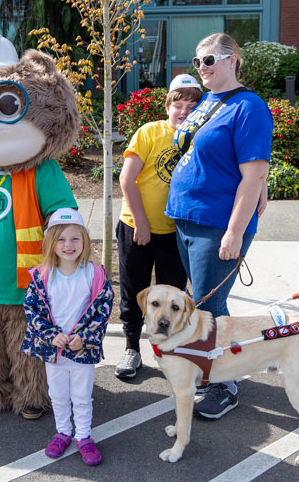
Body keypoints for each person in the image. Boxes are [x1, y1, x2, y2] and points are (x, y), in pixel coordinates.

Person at [166, 32, 273, 420]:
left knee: (209, 307)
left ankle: (223, 385)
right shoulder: (207, 102)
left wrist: (234, 232)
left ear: (232, 60)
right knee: (203, 302)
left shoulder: (250, 107)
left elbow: (253, 174)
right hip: (186, 219)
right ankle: (210, 368)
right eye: (198, 62)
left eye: (209, 60)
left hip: (216, 224)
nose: (202, 68)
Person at [114, 74, 201, 380]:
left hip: (175, 232)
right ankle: (131, 348)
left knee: (173, 295)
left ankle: (169, 351)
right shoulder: (150, 132)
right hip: (136, 227)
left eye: (192, 106)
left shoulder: (201, 139)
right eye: (178, 105)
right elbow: (127, 179)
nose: (184, 112)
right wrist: (141, 223)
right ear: (167, 107)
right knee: (134, 290)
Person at [21, 208, 114, 466]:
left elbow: (103, 310)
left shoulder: (94, 275)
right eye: (61, 239)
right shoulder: (42, 276)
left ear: (85, 240)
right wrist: (51, 335)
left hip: (82, 350)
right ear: (51, 243)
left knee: (82, 397)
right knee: (58, 395)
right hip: (56, 351)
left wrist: (85, 337)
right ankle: (63, 432)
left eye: (75, 238)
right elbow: (32, 310)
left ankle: (83, 436)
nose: (68, 245)